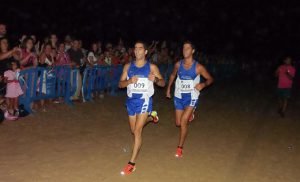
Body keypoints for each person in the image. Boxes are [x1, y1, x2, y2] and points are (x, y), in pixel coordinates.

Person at [118, 41, 165, 175]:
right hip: (131, 102)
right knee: (133, 131)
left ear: (145, 52)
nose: (137, 51)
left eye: (140, 48)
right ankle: (152, 117)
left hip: (144, 100)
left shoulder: (152, 67)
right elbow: (120, 84)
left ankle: (131, 164)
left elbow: (163, 82)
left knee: (137, 131)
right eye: (135, 48)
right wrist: (129, 81)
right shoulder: (128, 66)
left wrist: (155, 79)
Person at [166, 41, 213, 158]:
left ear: (192, 51)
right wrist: (168, 88)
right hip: (179, 96)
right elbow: (172, 75)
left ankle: (180, 147)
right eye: (183, 48)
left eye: (187, 48)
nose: (184, 50)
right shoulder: (178, 64)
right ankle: (190, 115)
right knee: (178, 123)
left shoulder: (198, 67)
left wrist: (203, 85)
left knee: (183, 122)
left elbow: (210, 79)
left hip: (192, 96)